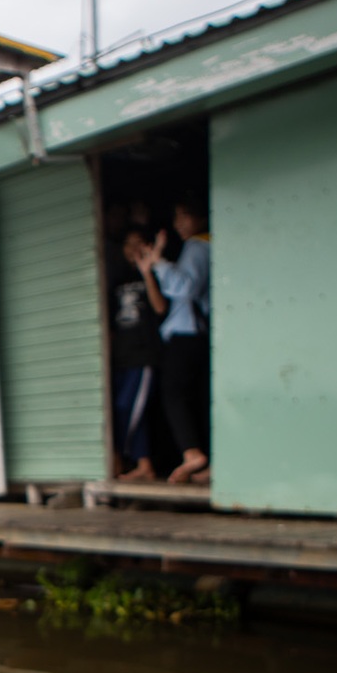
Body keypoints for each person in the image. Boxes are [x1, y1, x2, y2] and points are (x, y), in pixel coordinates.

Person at [136, 199, 213, 484]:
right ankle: (207, 461)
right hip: (199, 334)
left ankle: (192, 453)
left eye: (185, 216)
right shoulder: (207, 246)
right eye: (176, 217)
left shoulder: (197, 246)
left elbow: (185, 287)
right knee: (199, 397)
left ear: (201, 218)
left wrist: (159, 263)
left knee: (173, 393)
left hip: (186, 335)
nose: (179, 223)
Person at [112, 228, 168, 480]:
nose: (132, 248)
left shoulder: (153, 274)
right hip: (121, 357)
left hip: (144, 357)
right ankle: (142, 464)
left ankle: (138, 464)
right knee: (131, 409)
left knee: (128, 407)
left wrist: (147, 274)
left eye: (138, 243)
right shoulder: (117, 280)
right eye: (127, 243)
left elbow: (159, 307)